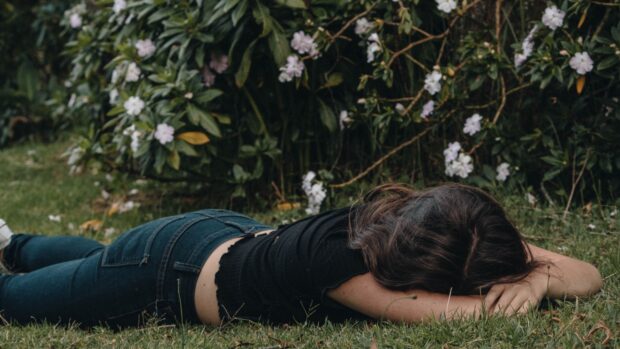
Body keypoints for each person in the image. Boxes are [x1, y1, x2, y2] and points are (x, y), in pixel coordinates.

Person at [0, 183, 602, 328]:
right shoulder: (340, 269)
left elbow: (590, 275)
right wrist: (529, 282)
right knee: (16, 304)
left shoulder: (430, 223)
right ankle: (11, 252)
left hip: (221, 233)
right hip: (164, 271)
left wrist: (542, 278)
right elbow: (468, 315)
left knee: (98, 261)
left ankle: (10, 244)